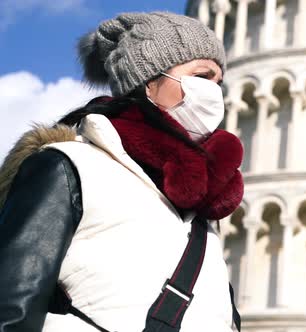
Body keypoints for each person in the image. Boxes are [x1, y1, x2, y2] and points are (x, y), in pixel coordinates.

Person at [0, 12, 244, 332]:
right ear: (148, 83)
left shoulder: (195, 215)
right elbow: (11, 309)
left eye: (218, 82)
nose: (214, 92)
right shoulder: (68, 166)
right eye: (201, 76)